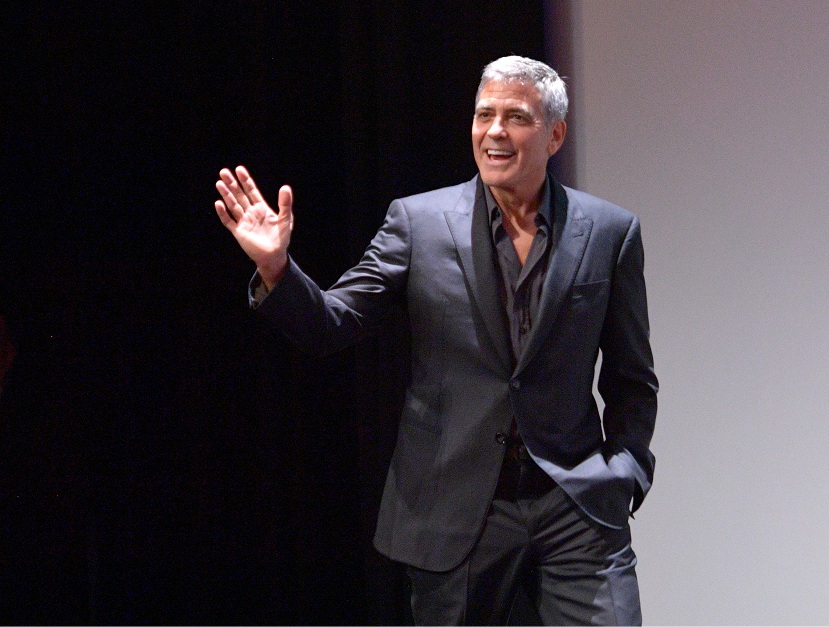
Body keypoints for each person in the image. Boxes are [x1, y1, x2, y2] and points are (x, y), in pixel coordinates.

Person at [214, 56, 657, 625]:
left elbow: (631, 376)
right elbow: (332, 323)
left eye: (516, 117)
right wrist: (277, 269)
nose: (495, 132)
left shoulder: (609, 232)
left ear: (554, 135)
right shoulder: (418, 223)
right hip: (456, 509)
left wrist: (624, 472)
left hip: (575, 504)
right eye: (484, 115)